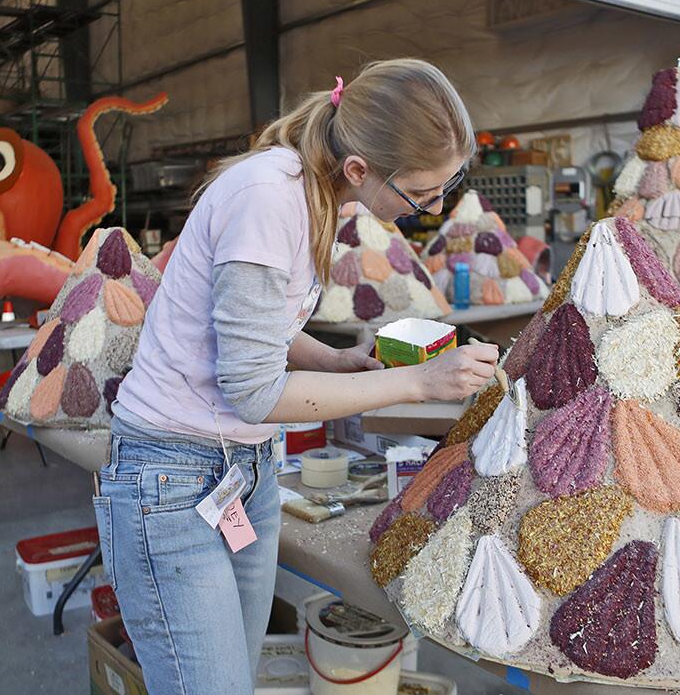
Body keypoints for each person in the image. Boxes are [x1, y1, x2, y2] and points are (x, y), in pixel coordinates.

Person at [93, 58, 500, 694]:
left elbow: (261, 327)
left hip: (239, 469)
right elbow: (255, 392)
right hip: (171, 479)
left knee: (234, 678)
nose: (436, 207)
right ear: (361, 170)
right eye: (423, 193)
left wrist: (337, 361)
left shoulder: (315, 190)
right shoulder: (269, 198)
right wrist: (419, 384)